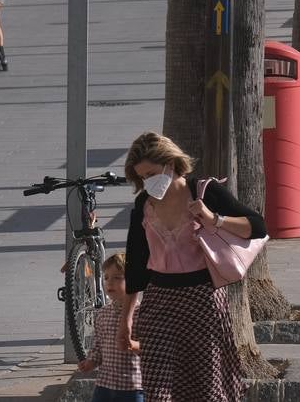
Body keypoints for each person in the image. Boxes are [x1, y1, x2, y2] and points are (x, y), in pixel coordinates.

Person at [122, 132, 267, 402]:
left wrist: (215, 219)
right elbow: (135, 267)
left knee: (205, 384)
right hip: (158, 303)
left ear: (171, 164)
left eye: (151, 174)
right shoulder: (143, 204)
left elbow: (257, 227)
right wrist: (126, 319)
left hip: (202, 301)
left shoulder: (204, 191)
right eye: (142, 177)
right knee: (157, 388)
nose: (148, 182)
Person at [77, 253, 144, 402]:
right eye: (106, 278)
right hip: (104, 385)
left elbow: (151, 349)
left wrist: (133, 345)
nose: (109, 283)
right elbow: (98, 346)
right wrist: (90, 363)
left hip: (132, 386)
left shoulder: (141, 313)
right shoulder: (103, 314)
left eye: (117, 278)